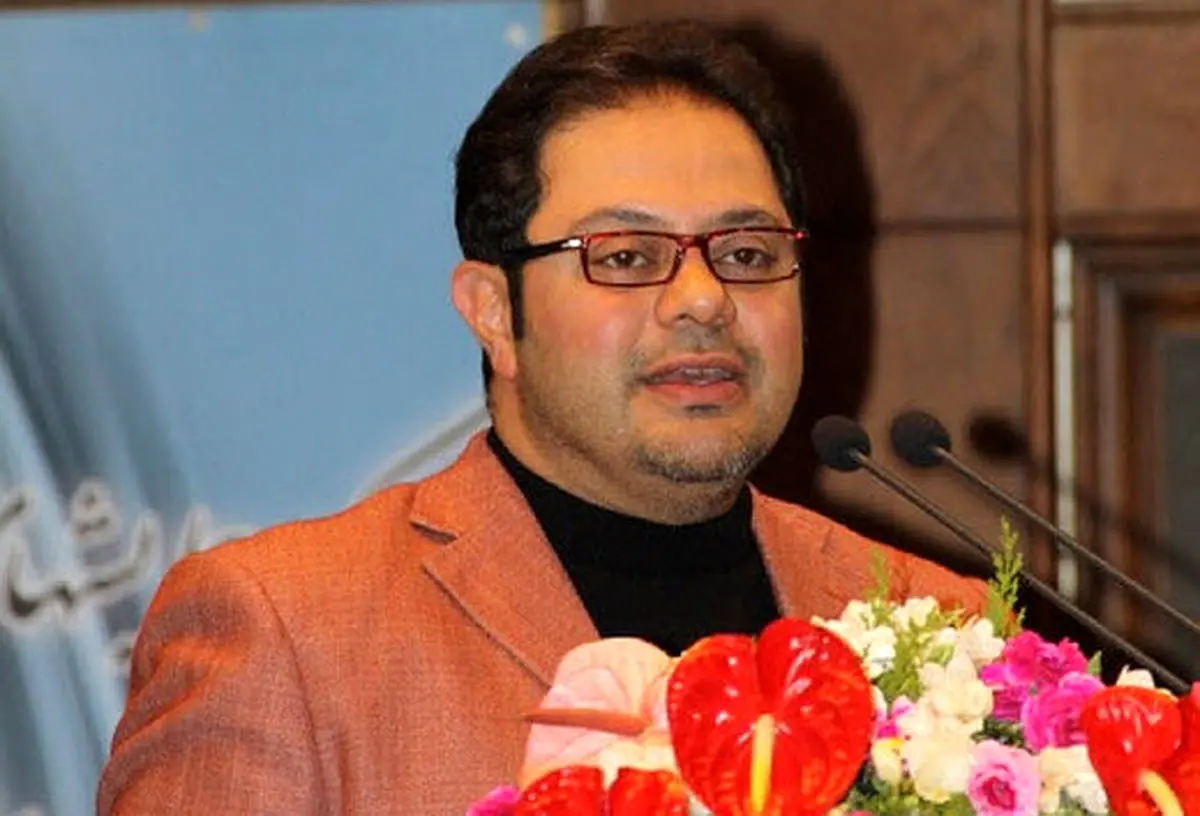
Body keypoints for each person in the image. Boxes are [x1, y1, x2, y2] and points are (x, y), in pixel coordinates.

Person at [97, 19, 985, 814]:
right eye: (626, 255)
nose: (704, 299)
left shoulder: (949, 630)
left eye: (748, 253)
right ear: (493, 313)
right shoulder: (288, 634)